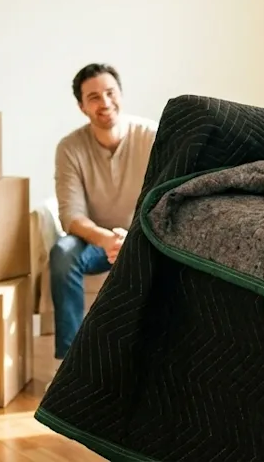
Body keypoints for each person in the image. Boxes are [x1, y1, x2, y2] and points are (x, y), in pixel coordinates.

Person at [50, 62, 157, 361]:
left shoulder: (152, 136)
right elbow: (71, 216)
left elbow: (167, 198)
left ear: (121, 94)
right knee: (62, 254)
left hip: (144, 237)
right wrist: (107, 239)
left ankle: (151, 359)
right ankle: (70, 363)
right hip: (96, 242)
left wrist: (134, 239)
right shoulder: (69, 148)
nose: (105, 102)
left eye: (110, 93)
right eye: (94, 97)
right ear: (82, 107)